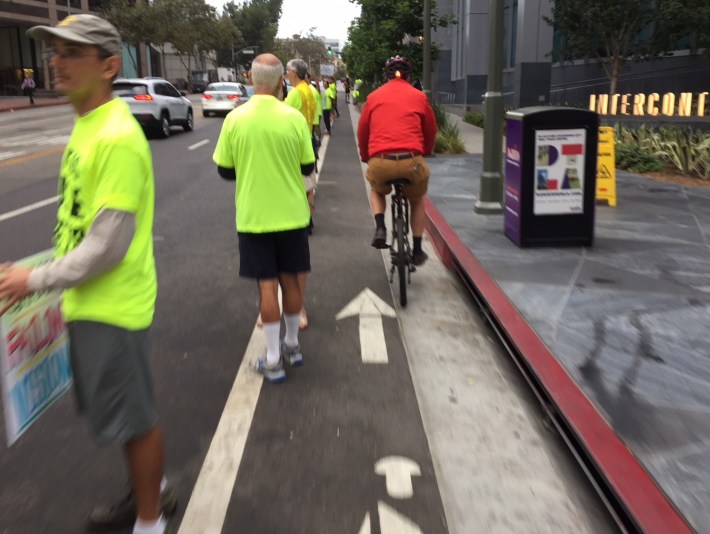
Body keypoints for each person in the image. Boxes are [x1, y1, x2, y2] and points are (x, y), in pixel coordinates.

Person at [0, 14, 175, 534]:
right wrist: (37, 274)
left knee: (135, 419)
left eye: (71, 53)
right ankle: (152, 492)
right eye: (54, 51)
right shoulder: (88, 124)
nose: (56, 62)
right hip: (90, 301)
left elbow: (106, 248)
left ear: (108, 66)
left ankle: (150, 520)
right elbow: (80, 223)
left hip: (113, 305)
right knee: (123, 416)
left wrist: (32, 281)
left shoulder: (118, 136)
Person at [213, 53, 315, 383]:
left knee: (267, 287)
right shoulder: (294, 119)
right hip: (293, 215)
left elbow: (225, 171)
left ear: (251, 79)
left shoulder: (235, 119)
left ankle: (272, 359)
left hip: (255, 218)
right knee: (292, 280)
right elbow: (307, 168)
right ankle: (292, 346)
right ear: (279, 81)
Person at [357, 55, 437, 267]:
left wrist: (366, 155)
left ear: (386, 76)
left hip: (381, 161)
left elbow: (363, 131)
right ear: (408, 75)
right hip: (412, 161)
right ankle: (418, 249)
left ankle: (381, 227)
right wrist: (426, 151)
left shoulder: (374, 97)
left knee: (377, 190)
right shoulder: (419, 96)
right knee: (417, 199)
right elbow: (431, 129)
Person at [285, 58, 318, 329]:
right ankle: (309, 214)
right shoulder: (312, 91)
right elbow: (315, 116)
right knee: (309, 183)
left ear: (293, 74)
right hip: (309, 139)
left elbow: (284, 117)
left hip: (295, 145)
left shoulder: (295, 93)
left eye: (287, 72)